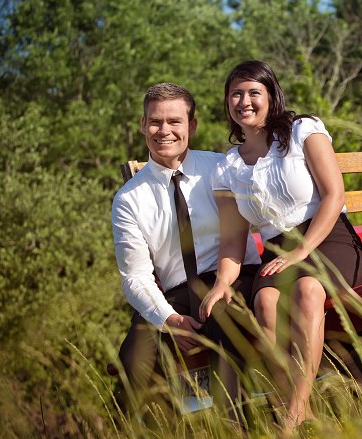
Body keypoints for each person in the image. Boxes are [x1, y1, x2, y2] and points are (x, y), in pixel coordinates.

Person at [200, 60, 362, 434]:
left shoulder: (302, 131)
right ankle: (295, 409)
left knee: (309, 290)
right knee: (266, 302)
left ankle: (293, 416)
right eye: (236, 94)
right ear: (227, 102)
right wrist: (223, 283)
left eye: (253, 92)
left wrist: (303, 250)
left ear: (271, 96)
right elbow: (233, 239)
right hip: (277, 253)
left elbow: (333, 194)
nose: (244, 101)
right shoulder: (227, 167)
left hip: (329, 239)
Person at [111, 82, 261, 413]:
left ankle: (236, 429)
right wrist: (169, 319)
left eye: (174, 121)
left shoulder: (219, 167)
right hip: (175, 295)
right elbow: (135, 276)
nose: (164, 130)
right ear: (142, 125)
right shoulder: (128, 199)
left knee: (223, 316)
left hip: (232, 275)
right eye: (155, 121)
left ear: (191, 126)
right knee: (132, 362)